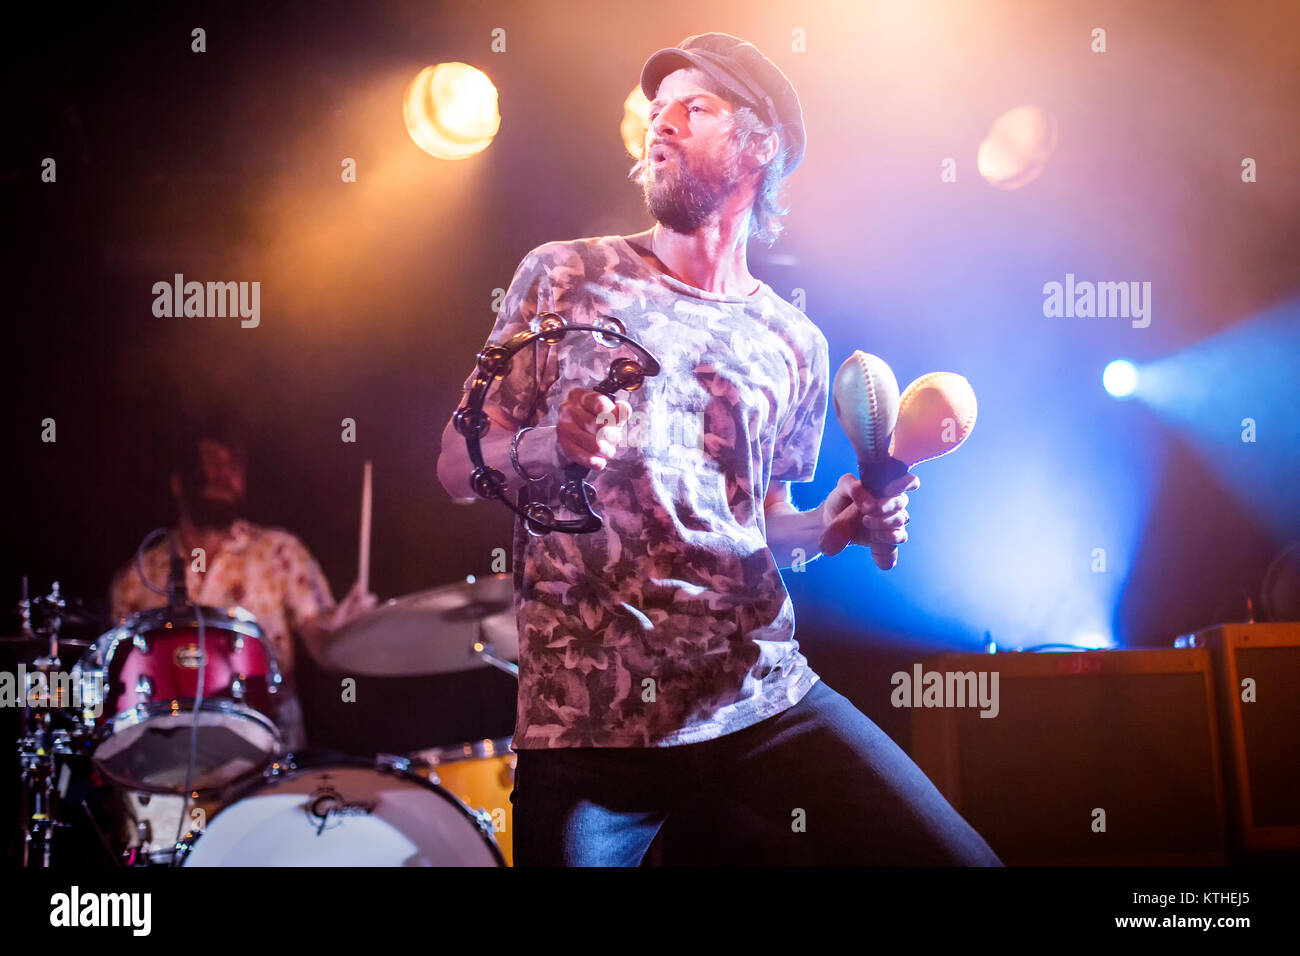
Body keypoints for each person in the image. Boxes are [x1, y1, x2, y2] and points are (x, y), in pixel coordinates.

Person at [437, 33, 1000, 866]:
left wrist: (828, 523)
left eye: (692, 109)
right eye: (655, 114)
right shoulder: (564, 276)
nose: (660, 127)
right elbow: (455, 464)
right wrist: (552, 444)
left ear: (759, 144)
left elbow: (765, 526)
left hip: (756, 698)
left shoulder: (793, 340)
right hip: (589, 727)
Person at [108, 416, 376, 749]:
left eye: (234, 466)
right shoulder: (137, 577)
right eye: (211, 463)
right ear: (178, 482)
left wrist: (344, 634)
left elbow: (320, 644)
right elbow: (119, 684)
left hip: (269, 754)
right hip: (167, 763)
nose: (226, 475)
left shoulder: (279, 551)